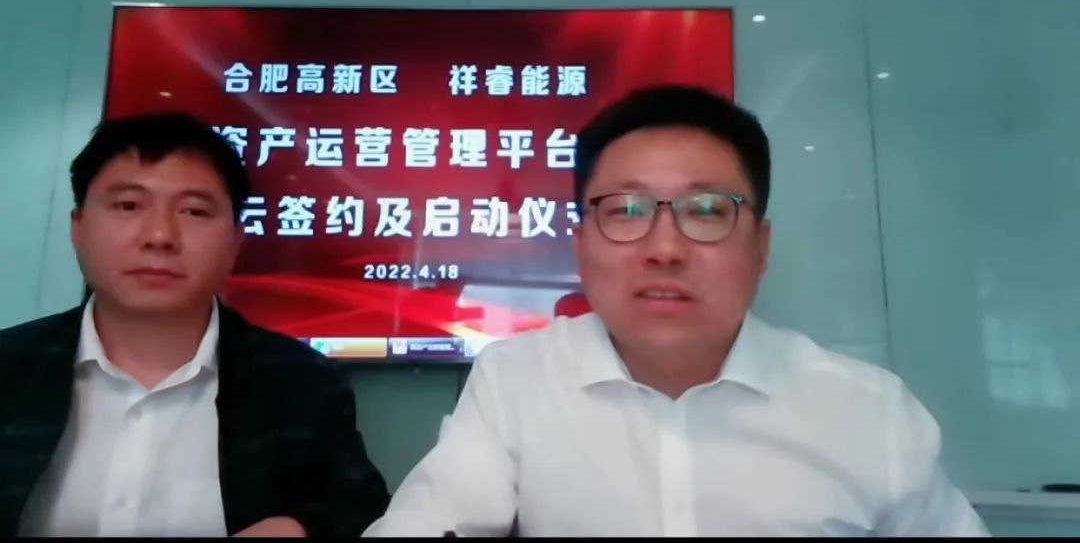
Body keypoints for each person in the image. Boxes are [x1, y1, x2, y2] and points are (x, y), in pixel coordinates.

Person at [364, 85, 988, 537]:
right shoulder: (516, 380)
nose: (664, 249)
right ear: (581, 247)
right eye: (625, 211)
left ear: (761, 248)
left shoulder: (867, 410)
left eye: (708, 211)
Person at [0, 113, 389, 537]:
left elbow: (363, 512)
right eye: (129, 205)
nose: (159, 236)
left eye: (194, 211)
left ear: (235, 243)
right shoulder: (10, 365)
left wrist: (301, 528)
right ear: (78, 228)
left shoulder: (302, 384)